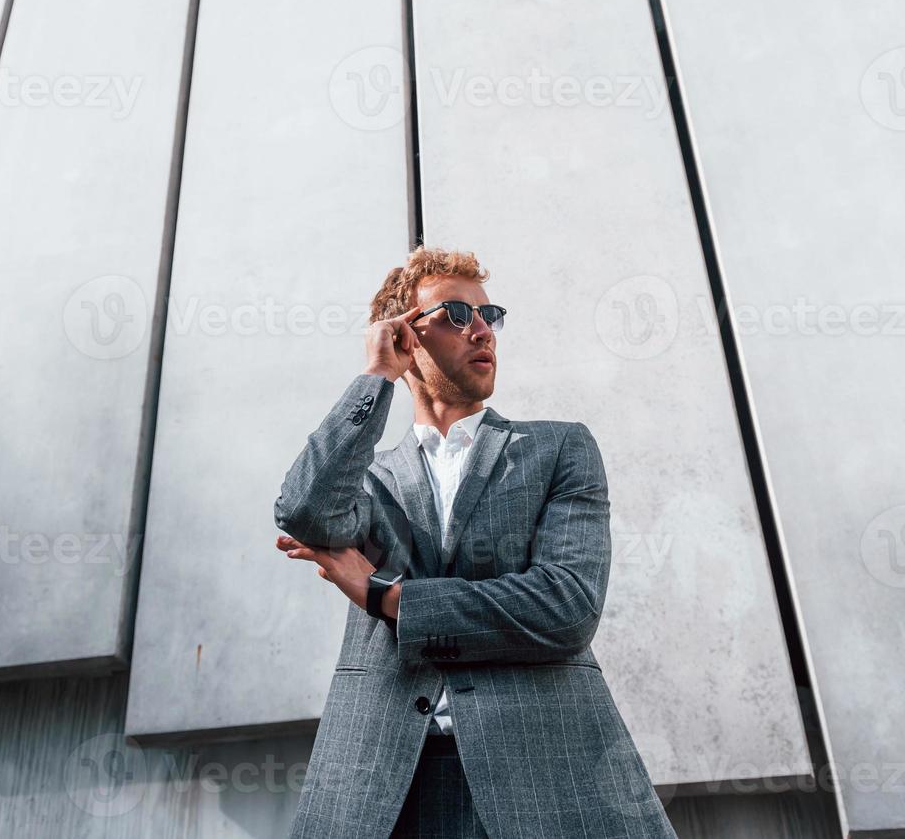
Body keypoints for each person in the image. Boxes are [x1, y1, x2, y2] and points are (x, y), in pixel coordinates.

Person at [274, 245, 675, 838]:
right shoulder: (368, 480)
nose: (483, 330)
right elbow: (305, 512)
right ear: (404, 335)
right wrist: (376, 376)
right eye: (458, 315)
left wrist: (389, 596)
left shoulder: (558, 449)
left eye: (490, 316)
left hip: (545, 774)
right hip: (385, 785)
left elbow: (565, 608)